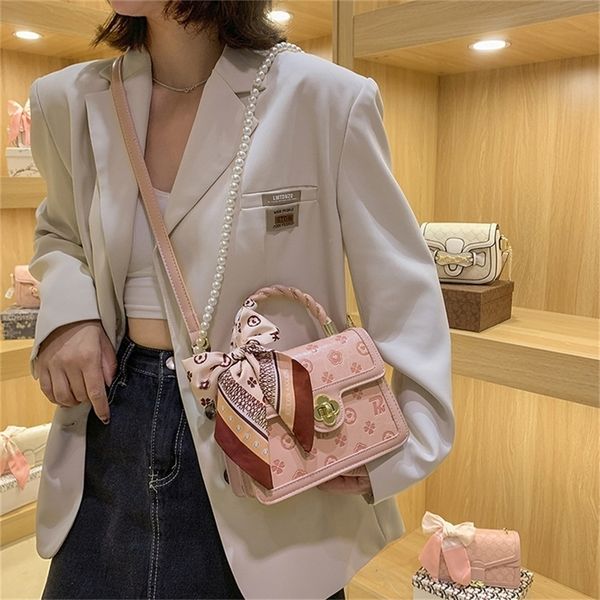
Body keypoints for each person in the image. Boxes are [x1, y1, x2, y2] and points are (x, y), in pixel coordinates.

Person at [28, 1, 455, 598]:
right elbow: (60, 232)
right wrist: (68, 316)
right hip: (107, 431)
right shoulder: (67, 100)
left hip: (272, 443)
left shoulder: (324, 99)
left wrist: (397, 442)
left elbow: (403, 286)